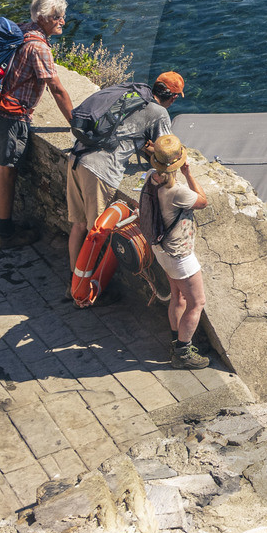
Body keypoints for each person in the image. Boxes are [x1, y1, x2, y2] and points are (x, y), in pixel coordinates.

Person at [66, 69, 183, 288]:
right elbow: (166, 150)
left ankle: (72, 277)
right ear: (173, 97)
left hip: (78, 156)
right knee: (96, 235)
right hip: (99, 170)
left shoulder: (131, 94)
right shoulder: (158, 112)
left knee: (78, 225)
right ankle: (82, 291)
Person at [0, 0, 75, 249]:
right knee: (7, 173)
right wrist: (75, 124)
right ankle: (6, 234)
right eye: (58, 17)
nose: (62, 22)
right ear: (44, 17)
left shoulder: (21, 29)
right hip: (10, 116)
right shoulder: (39, 47)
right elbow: (56, 89)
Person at [139, 133, 209, 367]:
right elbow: (203, 201)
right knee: (197, 302)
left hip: (161, 251)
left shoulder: (151, 177)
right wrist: (189, 174)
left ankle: (175, 339)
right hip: (180, 255)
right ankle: (182, 353)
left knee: (177, 297)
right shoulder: (178, 192)